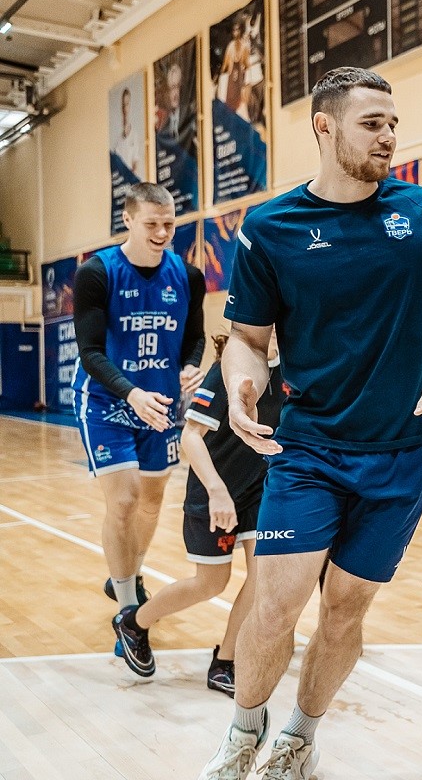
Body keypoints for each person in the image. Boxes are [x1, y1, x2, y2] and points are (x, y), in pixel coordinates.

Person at [197, 66, 422, 780]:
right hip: (309, 450)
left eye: (392, 123)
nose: (388, 137)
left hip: (404, 453)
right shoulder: (270, 228)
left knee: (346, 610)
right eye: (371, 123)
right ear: (325, 127)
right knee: (274, 606)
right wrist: (242, 388)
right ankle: (242, 735)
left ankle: (299, 738)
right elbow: (248, 340)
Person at [71, 182, 205, 665]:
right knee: (125, 501)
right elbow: (90, 352)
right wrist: (131, 392)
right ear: (127, 220)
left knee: (151, 502)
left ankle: (130, 573)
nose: (163, 233)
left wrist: (190, 366)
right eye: (152, 223)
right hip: (108, 400)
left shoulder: (188, 276)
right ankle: (129, 612)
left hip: (161, 402)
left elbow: (194, 338)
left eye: (169, 224)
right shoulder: (96, 273)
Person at [111, 331, 283, 692]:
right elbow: (190, 436)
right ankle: (135, 623)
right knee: (211, 583)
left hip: (258, 492)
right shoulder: (227, 371)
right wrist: (217, 492)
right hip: (213, 491)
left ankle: (225, 661)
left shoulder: (291, 372)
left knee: (263, 578)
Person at [113, 86, 142, 178]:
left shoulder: (134, 136)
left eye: (127, 104)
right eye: (123, 105)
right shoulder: (117, 139)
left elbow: (136, 164)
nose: (125, 108)